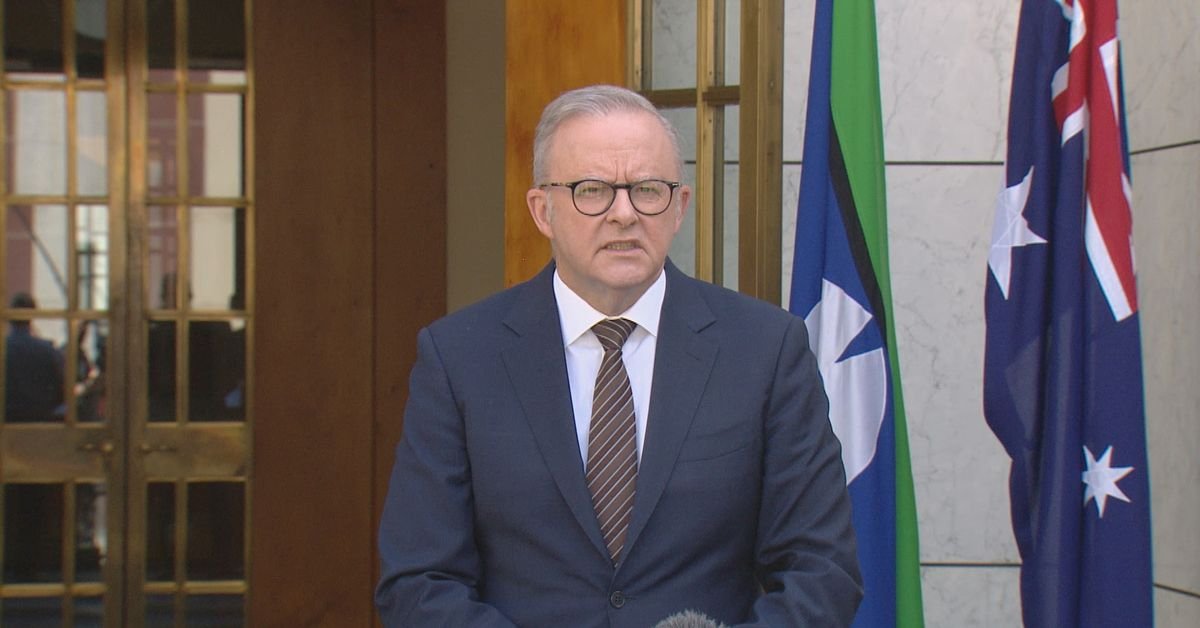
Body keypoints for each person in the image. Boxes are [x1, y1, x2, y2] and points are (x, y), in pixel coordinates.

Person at [376, 84, 862, 626]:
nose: (624, 214)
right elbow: (419, 581)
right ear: (542, 210)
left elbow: (822, 570)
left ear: (679, 207)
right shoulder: (460, 358)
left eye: (647, 190)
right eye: (592, 190)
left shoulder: (765, 350)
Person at [5, 292, 65, 423]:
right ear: (32, 316)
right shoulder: (49, 351)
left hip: (5, 423)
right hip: (40, 424)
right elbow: (62, 392)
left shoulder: (4, 349)